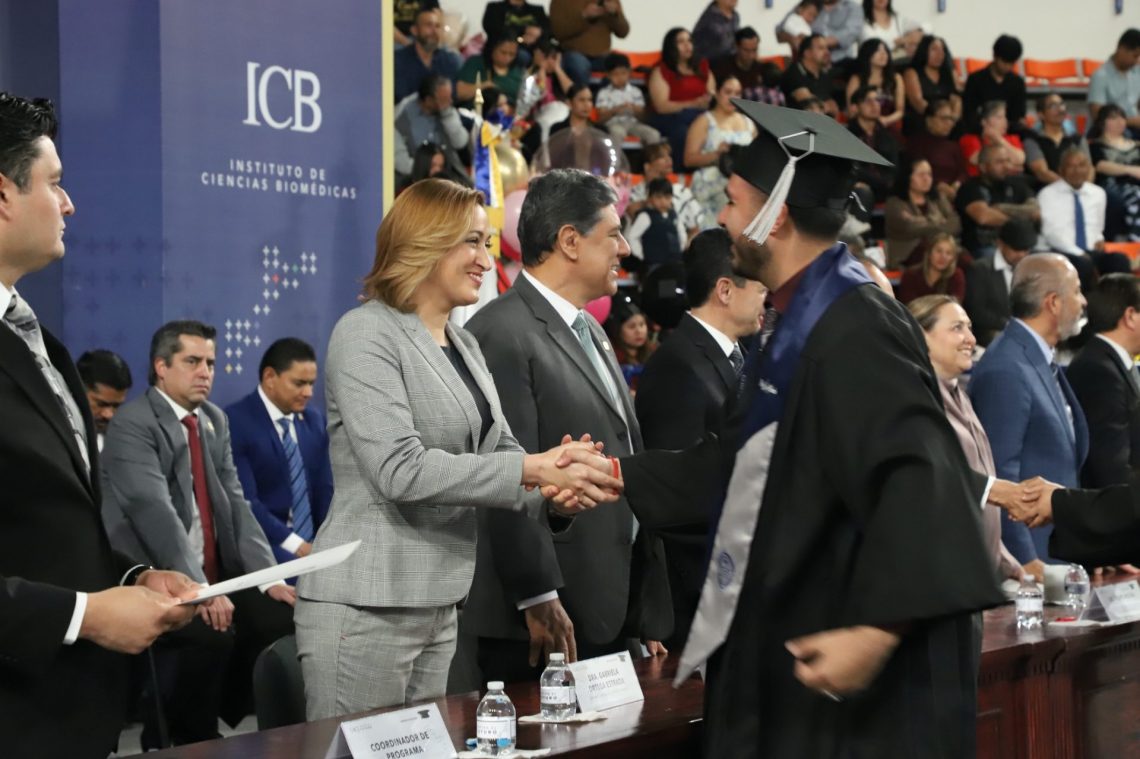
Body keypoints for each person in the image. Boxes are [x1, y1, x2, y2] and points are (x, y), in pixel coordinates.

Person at [616, 100, 1004, 757]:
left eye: (733, 202)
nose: (722, 218)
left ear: (776, 216)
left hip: (854, 682)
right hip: (803, 656)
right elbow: (743, 467)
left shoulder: (856, 325)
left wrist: (878, 631)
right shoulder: (799, 323)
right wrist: (614, 473)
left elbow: (922, 482)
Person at [294, 179, 620, 718]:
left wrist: (557, 486)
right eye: (471, 242)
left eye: (487, 244)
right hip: (367, 605)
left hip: (441, 604)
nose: (486, 261)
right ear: (424, 240)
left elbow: (503, 452)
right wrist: (534, 469)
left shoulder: (464, 343)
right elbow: (400, 470)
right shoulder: (365, 333)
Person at [0, 92, 197, 758]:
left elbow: (42, 520)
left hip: (67, 708)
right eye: (54, 182)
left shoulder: (43, 346)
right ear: (2, 194)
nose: (69, 203)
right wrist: (84, 615)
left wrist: (133, 577)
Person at [462, 169, 670, 688]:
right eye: (614, 233)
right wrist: (536, 592)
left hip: (607, 601)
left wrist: (644, 602)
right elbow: (504, 470)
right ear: (570, 241)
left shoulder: (590, 327)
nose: (625, 248)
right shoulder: (500, 331)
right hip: (544, 619)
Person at [101, 320, 296, 745]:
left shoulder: (213, 420)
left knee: (281, 617)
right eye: (192, 361)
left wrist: (270, 578)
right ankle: (181, 738)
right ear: (161, 367)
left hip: (212, 571)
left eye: (210, 362)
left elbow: (237, 503)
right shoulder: (134, 423)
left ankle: (257, 732)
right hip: (153, 573)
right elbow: (154, 512)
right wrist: (200, 589)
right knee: (209, 634)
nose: (205, 372)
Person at [634, 228, 764, 650]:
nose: (767, 298)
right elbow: (677, 495)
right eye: (760, 287)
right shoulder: (677, 366)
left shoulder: (739, 356)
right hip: (699, 602)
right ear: (725, 290)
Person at [968, 254, 1089, 566]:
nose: (1083, 301)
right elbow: (999, 475)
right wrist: (1024, 560)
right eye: (1077, 291)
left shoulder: (1035, 357)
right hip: (1034, 560)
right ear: (1053, 303)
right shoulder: (1006, 368)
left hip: (1060, 550)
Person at [906, 295, 1027, 582]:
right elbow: (931, 480)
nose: (971, 339)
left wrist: (1006, 562)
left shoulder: (960, 394)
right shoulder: (914, 399)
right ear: (920, 336)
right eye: (957, 328)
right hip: (941, 580)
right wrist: (995, 491)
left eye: (970, 328)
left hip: (979, 576)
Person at [225, 337, 333, 568]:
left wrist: (327, 541)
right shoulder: (235, 422)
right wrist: (298, 545)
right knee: (309, 579)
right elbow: (245, 503)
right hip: (263, 541)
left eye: (311, 383)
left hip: (314, 543)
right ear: (270, 377)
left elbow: (325, 490)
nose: (308, 392)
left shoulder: (315, 422)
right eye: (299, 383)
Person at [1066, 274, 1140, 489]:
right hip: (1115, 503)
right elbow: (1113, 467)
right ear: (1130, 316)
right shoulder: (1099, 371)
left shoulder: (1110, 362)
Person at [1039, 148, 1132, 281]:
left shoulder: (1098, 193)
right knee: (1083, 265)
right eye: (1071, 166)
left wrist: (1099, 238)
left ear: (1089, 169)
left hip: (1090, 252)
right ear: (1061, 170)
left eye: (1082, 165)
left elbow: (1097, 227)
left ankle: (1121, 295)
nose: (1077, 171)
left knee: (1119, 260)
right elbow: (1050, 234)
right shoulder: (1047, 194)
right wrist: (1080, 253)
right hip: (1060, 251)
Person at [686, 73, 756, 229]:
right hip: (711, 187)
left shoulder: (748, 123)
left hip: (740, 187)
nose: (733, 97)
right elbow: (688, 159)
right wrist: (716, 154)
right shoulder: (704, 121)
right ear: (717, 93)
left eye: (737, 93)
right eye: (728, 92)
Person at [955, 144, 1039, 258]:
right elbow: (984, 217)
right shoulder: (971, 187)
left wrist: (1000, 208)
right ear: (983, 167)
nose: (1006, 166)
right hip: (985, 247)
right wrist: (1020, 221)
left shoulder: (1017, 184)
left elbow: (1035, 212)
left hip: (1021, 245)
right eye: (999, 162)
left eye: (1007, 161)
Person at [963, 217, 1034, 347]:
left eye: (1025, 250)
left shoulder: (1031, 269)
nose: (1022, 255)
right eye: (1016, 249)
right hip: (991, 331)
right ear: (1000, 244)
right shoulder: (980, 269)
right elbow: (977, 311)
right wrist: (1010, 325)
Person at [648, 27, 715, 162]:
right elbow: (661, 106)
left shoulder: (702, 66)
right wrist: (692, 103)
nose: (687, 45)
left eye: (689, 41)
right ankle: (681, 168)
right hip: (670, 117)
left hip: (699, 114)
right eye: (681, 42)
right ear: (671, 46)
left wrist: (707, 101)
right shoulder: (661, 70)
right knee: (683, 131)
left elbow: (712, 93)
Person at [884, 155, 961, 267]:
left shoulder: (938, 198)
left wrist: (924, 222)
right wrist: (939, 221)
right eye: (921, 175)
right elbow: (909, 227)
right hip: (908, 255)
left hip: (941, 251)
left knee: (965, 260)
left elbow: (955, 223)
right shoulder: (895, 203)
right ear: (908, 177)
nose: (926, 179)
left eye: (929, 174)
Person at [393, 75, 468, 182]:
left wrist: (447, 115)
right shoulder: (400, 118)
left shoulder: (447, 110)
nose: (450, 102)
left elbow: (460, 142)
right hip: (415, 180)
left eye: (450, 97)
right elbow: (401, 162)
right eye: (444, 99)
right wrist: (428, 171)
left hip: (449, 177)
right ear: (428, 100)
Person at [625, 141, 702, 238]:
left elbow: (695, 230)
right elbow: (632, 215)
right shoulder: (633, 193)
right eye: (661, 157)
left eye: (669, 156)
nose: (668, 159)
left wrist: (684, 245)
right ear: (647, 166)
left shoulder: (682, 191)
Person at [549, 0, 630, 86]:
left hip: (603, 55)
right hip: (573, 53)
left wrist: (615, 15)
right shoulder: (560, 2)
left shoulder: (610, 1)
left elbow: (623, 32)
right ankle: (582, 94)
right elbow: (558, 32)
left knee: (619, 66)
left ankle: (608, 94)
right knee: (579, 65)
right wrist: (584, 16)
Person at [1090, 104, 1140, 242]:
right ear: (1102, 122)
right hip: (1114, 185)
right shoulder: (1095, 145)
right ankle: (1134, 241)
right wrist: (1131, 170)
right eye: (1113, 118)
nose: (1120, 122)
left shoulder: (1137, 145)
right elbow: (1100, 166)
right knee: (1137, 197)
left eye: (1122, 117)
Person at [393, 8, 462, 103]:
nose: (434, 31)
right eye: (429, 25)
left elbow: (454, 96)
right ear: (414, 30)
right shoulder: (397, 61)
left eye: (437, 26)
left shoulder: (450, 61)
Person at [1025, 93, 1092, 190]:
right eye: (1053, 106)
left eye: (1062, 104)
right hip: (1046, 190)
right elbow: (1041, 172)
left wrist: (1084, 189)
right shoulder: (1033, 140)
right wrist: (1068, 188)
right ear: (1041, 115)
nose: (1060, 109)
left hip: (1079, 190)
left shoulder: (1077, 139)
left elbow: (1089, 168)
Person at [962, 35, 1027, 133]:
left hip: (1009, 132)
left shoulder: (1017, 83)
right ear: (995, 56)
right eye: (1004, 62)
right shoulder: (975, 80)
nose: (1007, 66)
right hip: (979, 132)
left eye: (1011, 63)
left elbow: (1018, 116)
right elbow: (969, 113)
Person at [847, 85, 900, 202]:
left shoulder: (887, 135)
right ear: (855, 108)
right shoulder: (847, 135)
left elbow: (893, 167)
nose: (875, 105)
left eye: (877, 100)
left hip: (885, 189)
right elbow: (852, 168)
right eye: (868, 101)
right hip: (859, 189)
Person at [905, 99, 968, 199]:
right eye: (944, 118)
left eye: (951, 119)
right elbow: (913, 171)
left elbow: (962, 172)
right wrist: (937, 185)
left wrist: (956, 185)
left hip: (954, 193)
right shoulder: (916, 143)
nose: (949, 123)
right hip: (927, 193)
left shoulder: (953, 146)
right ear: (929, 120)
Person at [595, 53, 661, 145]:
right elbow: (601, 117)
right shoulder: (604, 93)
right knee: (617, 133)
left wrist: (633, 109)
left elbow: (642, 116)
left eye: (623, 73)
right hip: (613, 124)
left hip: (633, 123)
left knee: (653, 134)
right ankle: (616, 155)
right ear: (608, 75)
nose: (620, 77)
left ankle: (653, 154)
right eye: (615, 74)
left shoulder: (636, 91)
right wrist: (614, 111)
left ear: (629, 73)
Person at [903, 35, 962, 136]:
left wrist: (953, 117)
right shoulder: (912, 72)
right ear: (924, 51)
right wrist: (938, 117)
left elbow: (955, 98)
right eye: (934, 49)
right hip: (924, 116)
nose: (939, 54)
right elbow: (917, 101)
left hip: (947, 117)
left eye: (942, 50)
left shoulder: (947, 73)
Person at [76, 348, 132, 453]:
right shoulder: (54, 435)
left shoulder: (126, 442)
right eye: (101, 404)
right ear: (77, 391)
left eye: (116, 406)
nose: (109, 415)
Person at [713, 27, 784, 106]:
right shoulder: (722, 67)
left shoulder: (761, 70)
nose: (751, 55)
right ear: (736, 47)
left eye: (754, 50)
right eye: (746, 50)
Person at [627, 177, 687, 268]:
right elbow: (632, 237)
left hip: (675, 263)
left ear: (672, 198)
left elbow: (682, 235)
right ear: (650, 198)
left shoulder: (674, 215)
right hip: (653, 265)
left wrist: (679, 251)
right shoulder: (646, 216)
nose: (663, 201)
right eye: (658, 197)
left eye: (667, 197)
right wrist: (642, 255)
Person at [1087, 28, 1140, 131]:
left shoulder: (1137, 72)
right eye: (1135, 55)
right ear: (1121, 49)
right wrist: (1132, 121)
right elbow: (1098, 117)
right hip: (1108, 131)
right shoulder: (1100, 76)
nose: (1136, 60)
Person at [845, 39, 904, 129]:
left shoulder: (896, 78)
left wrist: (885, 120)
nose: (883, 54)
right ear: (867, 54)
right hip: (863, 125)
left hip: (888, 122)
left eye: (885, 51)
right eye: (878, 51)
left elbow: (900, 111)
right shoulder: (856, 79)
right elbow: (851, 110)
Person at [456, 33, 525, 107]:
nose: (507, 58)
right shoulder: (476, 63)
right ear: (492, 49)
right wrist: (485, 85)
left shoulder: (519, 74)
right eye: (503, 52)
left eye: (512, 54)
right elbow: (459, 93)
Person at [959, 100, 1026, 177]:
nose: (1005, 121)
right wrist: (1010, 162)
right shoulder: (969, 139)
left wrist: (998, 139)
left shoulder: (1012, 138)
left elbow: (1019, 160)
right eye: (999, 117)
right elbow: (977, 160)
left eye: (1005, 117)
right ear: (984, 121)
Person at [780, 34, 839, 117]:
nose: (827, 52)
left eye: (827, 48)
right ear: (807, 53)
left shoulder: (824, 74)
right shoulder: (794, 73)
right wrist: (825, 106)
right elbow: (810, 105)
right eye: (821, 48)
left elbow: (833, 107)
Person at [896, 233, 965, 304]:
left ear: (953, 258)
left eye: (948, 253)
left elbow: (955, 304)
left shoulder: (956, 275)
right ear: (929, 253)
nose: (943, 257)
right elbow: (909, 305)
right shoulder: (911, 275)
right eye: (939, 251)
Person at [604, 295, 655, 390]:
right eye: (632, 326)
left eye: (642, 325)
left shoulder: (654, 353)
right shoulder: (612, 358)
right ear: (618, 331)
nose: (639, 331)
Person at [482, 0, 550, 67]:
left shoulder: (537, 10)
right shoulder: (495, 8)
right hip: (506, 48)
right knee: (522, 56)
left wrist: (537, 35)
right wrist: (524, 31)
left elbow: (548, 30)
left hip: (534, 48)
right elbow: (493, 28)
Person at [859, 0, 923, 59]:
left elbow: (921, 33)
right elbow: (870, 48)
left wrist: (904, 40)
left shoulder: (897, 19)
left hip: (899, 62)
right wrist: (895, 43)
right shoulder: (862, 22)